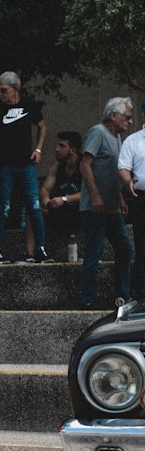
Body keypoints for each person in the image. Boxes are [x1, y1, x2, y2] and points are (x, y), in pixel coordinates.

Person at [0, 71, 52, 264]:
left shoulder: (28, 105)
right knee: (3, 206)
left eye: (4, 91)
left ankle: (41, 249)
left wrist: (38, 149)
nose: (1, 95)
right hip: (4, 165)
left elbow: (42, 126)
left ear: (15, 89)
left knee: (34, 206)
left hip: (25, 164)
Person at [79, 97, 134, 309]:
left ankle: (122, 295)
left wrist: (120, 197)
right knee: (94, 250)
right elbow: (85, 165)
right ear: (113, 115)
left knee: (124, 248)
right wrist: (94, 196)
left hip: (111, 207)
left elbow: (113, 170)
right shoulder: (98, 132)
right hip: (96, 206)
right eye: (127, 118)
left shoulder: (117, 138)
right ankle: (88, 298)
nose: (129, 122)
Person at [119, 99, 145, 299]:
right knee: (142, 244)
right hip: (141, 197)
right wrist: (127, 181)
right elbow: (124, 168)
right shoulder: (133, 141)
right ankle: (142, 293)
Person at [39, 132, 83, 230]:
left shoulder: (83, 165)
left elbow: (90, 192)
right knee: (34, 211)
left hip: (79, 210)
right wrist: (46, 200)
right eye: (57, 145)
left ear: (72, 150)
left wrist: (64, 199)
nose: (57, 149)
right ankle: (38, 246)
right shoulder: (58, 165)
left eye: (62, 146)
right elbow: (45, 189)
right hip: (60, 210)